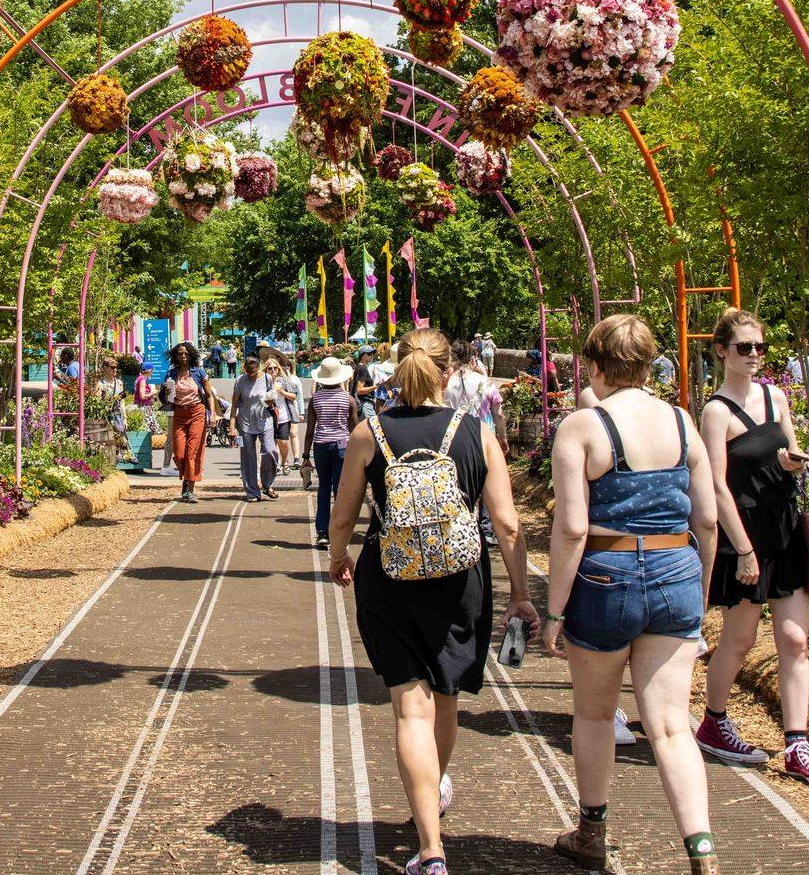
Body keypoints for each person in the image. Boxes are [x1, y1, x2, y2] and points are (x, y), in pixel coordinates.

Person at [328, 328, 539, 875]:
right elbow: (508, 524)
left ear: (394, 371)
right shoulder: (476, 432)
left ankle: (430, 850)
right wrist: (520, 594)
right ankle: (434, 798)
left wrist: (337, 557)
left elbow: (345, 515)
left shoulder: (367, 434)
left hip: (391, 581)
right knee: (444, 699)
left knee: (409, 708)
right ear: (448, 372)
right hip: (459, 581)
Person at [540, 314, 720, 873]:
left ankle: (590, 834)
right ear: (646, 364)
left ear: (594, 365)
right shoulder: (683, 423)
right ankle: (702, 848)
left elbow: (571, 528)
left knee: (595, 717)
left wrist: (554, 611)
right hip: (676, 571)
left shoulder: (582, 426)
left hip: (606, 573)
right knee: (670, 725)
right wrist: (700, 591)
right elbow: (708, 519)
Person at [696, 309, 809, 788]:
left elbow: (792, 454)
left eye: (759, 347)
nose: (754, 355)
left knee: (796, 640)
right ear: (721, 351)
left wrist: (793, 463)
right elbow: (716, 485)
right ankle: (714, 721)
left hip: (784, 525)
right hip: (746, 533)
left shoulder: (776, 396)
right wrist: (741, 549)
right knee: (738, 640)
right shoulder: (715, 411)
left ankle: (798, 743)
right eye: (744, 347)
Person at [303, 356, 359, 548]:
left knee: (324, 487)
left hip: (320, 446)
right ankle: (340, 530)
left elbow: (310, 431)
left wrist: (304, 456)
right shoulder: (348, 399)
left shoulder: (315, 400)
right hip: (342, 445)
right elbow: (355, 428)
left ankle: (322, 531)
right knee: (340, 490)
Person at [159, 342, 213, 503]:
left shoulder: (198, 372)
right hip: (179, 413)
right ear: (176, 356)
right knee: (180, 452)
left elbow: (209, 395)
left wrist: (213, 416)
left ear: (191, 356)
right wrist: (164, 391)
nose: (183, 356)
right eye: (180, 353)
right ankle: (186, 478)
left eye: (186, 354)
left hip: (197, 412)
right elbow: (163, 398)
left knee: (193, 452)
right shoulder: (171, 374)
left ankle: (190, 489)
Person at [230, 353, 279, 502]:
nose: (250, 374)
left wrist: (270, 401)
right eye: (247, 371)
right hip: (245, 423)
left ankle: (267, 484)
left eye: (253, 371)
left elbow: (271, 397)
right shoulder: (240, 381)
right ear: (244, 369)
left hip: (265, 420)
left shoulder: (266, 378)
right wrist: (232, 428)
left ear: (258, 368)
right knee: (248, 457)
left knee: (270, 451)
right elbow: (234, 405)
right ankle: (252, 491)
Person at [268, 356, 302, 473]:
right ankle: (277, 463)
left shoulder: (284, 380)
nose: (273, 370)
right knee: (272, 442)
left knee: (283, 442)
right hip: (268, 417)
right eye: (270, 368)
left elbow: (294, 396)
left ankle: (284, 461)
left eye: (275, 368)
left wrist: (283, 392)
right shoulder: (263, 382)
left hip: (283, 416)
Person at [352, 345, 381, 419]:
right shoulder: (363, 369)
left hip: (361, 403)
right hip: (365, 403)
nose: (371, 355)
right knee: (374, 428)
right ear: (362, 356)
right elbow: (359, 390)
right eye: (369, 354)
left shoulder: (358, 367)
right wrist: (376, 386)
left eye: (372, 353)